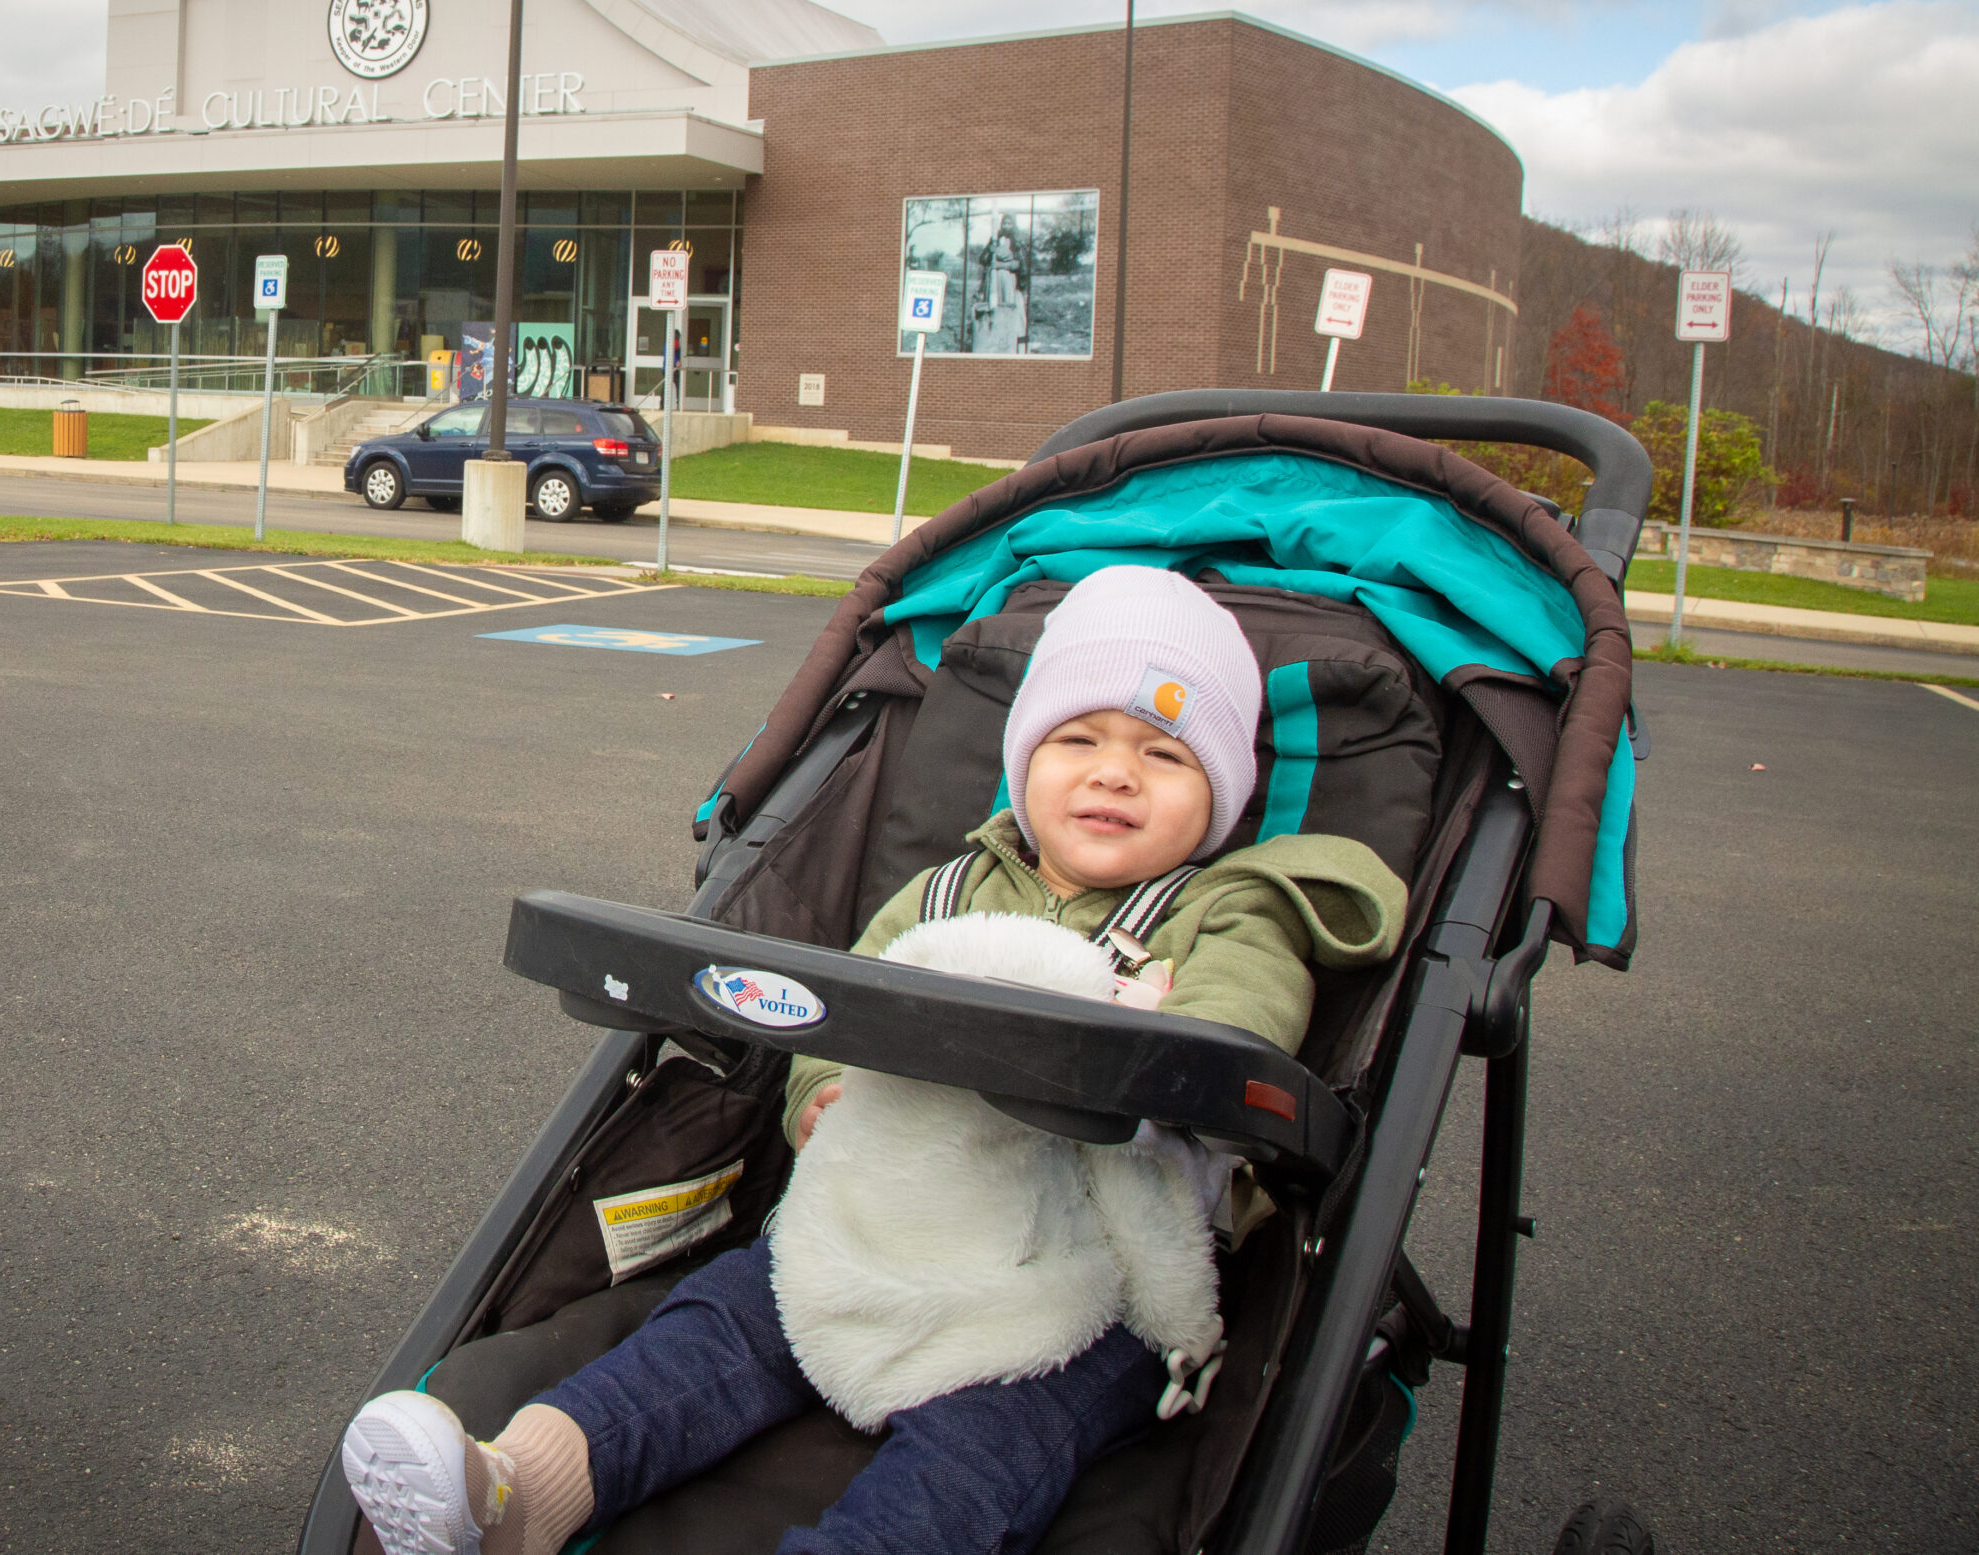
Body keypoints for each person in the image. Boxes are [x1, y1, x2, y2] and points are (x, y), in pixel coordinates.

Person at [341, 567, 1407, 1555]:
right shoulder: (943, 891)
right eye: (1077, 739)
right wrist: (823, 1096)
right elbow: (834, 1011)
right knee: (717, 1326)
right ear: (1025, 760)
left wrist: (1123, 1036)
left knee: (986, 1450)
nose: (1114, 774)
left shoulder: (1228, 910)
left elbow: (1237, 1039)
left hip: (1078, 1284)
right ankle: (522, 1489)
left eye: (1164, 754)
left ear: (1217, 795)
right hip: (888, 1233)